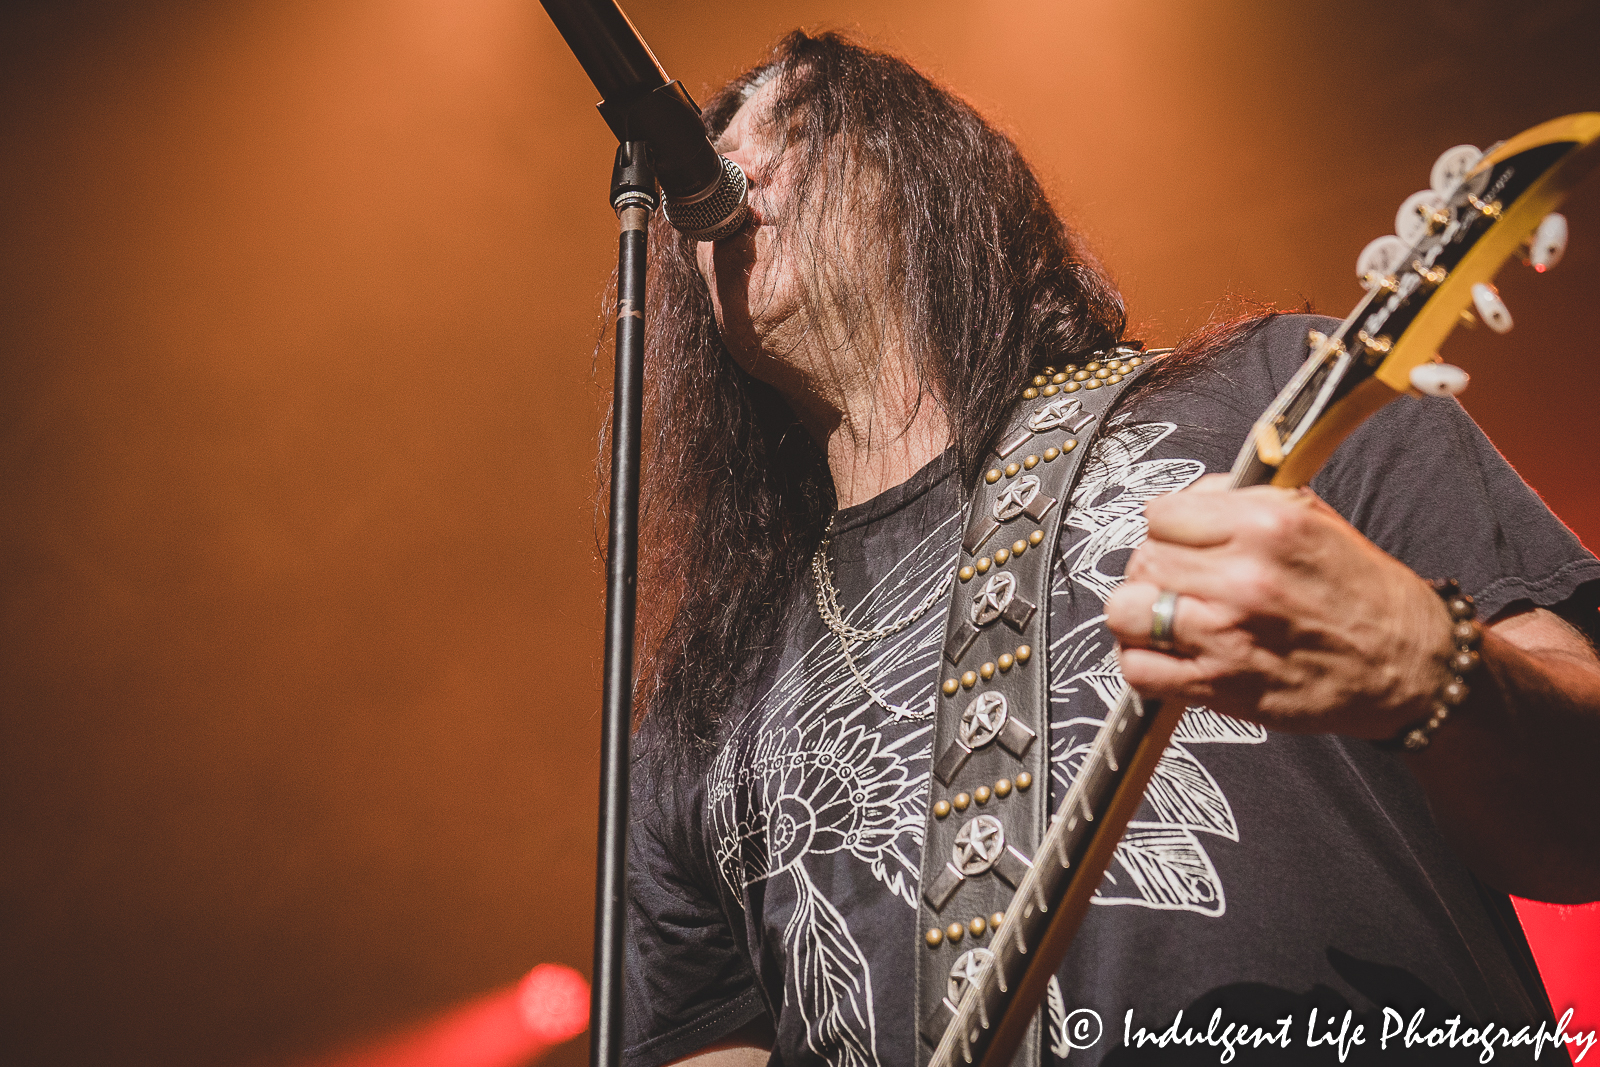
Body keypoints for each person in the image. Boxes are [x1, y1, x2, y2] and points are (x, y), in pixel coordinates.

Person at [620, 31, 1600, 1067]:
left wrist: (1429, 667)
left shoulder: (1277, 398)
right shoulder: (701, 699)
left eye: (801, 129)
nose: (735, 169)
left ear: (932, 182)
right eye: (714, 151)